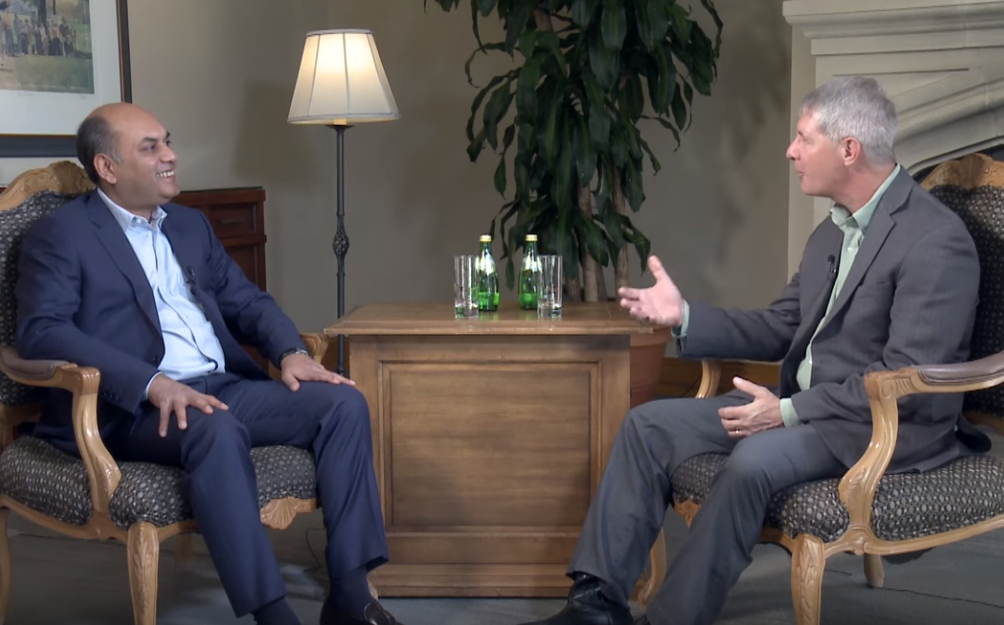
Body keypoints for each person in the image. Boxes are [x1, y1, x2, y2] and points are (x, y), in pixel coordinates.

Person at [518, 76, 990, 625]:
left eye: (803, 138)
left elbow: (904, 379)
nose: (790, 150)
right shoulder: (832, 232)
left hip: (880, 426)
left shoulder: (934, 240)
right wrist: (684, 316)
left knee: (754, 460)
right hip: (807, 409)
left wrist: (786, 411)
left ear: (849, 150)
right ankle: (595, 605)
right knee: (648, 426)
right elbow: (781, 325)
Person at [15, 103, 405, 625]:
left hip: (221, 385)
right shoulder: (62, 234)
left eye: (167, 142)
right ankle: (272, 613)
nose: (170, 156)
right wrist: (151, 383)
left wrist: (290, 352)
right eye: (151, 148)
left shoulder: (189, 225)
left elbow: (247, 301)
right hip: (130, 408)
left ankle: (350, 596)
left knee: (343, 403)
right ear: (107, 167)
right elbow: (43, 331)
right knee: (215, 429)